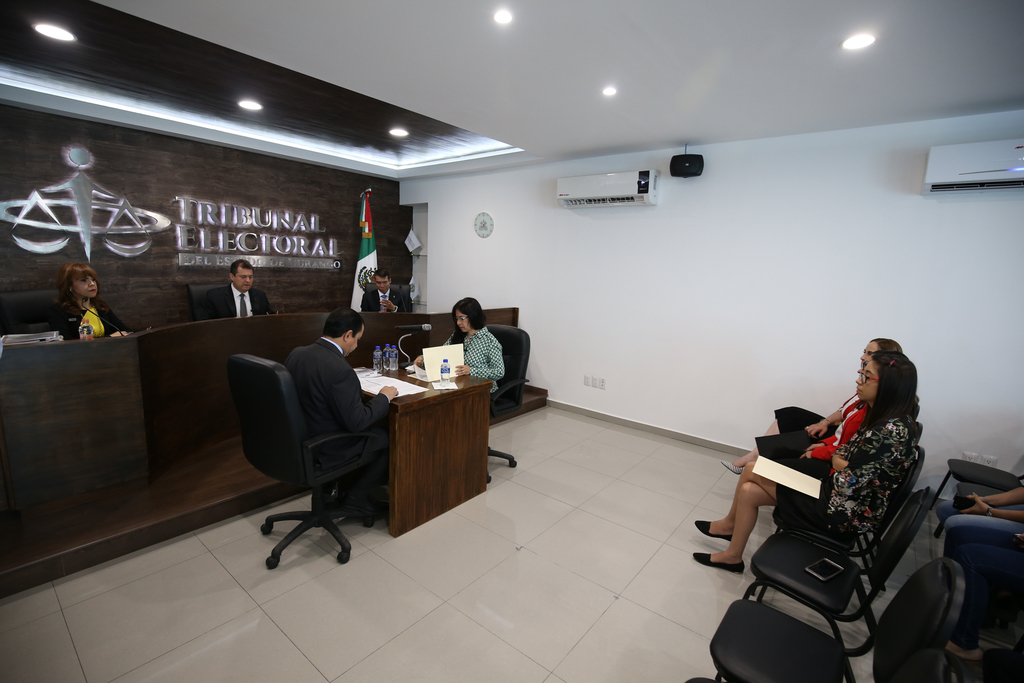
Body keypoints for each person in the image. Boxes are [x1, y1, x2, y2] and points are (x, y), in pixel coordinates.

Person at [694, 350, 918, 573]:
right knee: (749, 489)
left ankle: (729, 529)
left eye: (867, 377)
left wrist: (837, 460)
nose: (859, 380)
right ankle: (732, 556)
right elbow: (846, 453)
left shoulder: (888, 432)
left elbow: (845, 481)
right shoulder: (885, 419)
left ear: (888, 386)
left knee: (753, 470)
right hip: (836, 496)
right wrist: (840, 461)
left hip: (841, 513)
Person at [722, 338, 903, 474]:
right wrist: (824, 422)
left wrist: (823, 447)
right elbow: (843, 412)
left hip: (838, 446)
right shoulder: (864, 388)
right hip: (838, 435)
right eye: (864, 351)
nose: (863, 357)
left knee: (795, 424)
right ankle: (753, 457)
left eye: (870, 354)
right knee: (791, 414)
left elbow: (849, 443)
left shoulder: (875, 401)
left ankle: (755, 462)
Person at [285, 307, 398, 516]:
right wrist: (384, 396)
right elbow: (357, 422)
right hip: (326, 447)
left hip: (298, 440)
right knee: (386, 437)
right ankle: (357, 497)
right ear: (347, 335)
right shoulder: (340, 369)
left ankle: (336, 488)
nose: (356, 345)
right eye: (358, 339)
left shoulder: (297, 353)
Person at [414, 297, 504, 392]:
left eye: (462, 318)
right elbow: (442, 353)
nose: (458, 323)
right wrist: (423, 359)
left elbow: (499, 372)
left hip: (481, 391)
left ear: (474, 316)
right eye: (457, 319)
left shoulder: (489, 341)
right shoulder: (458, 335)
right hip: (457, 386)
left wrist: (471, 371)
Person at [46, 263, 131, 339]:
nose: (92, 284)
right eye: (84, 280)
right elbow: (64, 343)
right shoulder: (58, 311)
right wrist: (108, 338)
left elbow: (126, 332)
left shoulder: (100, 307)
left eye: (93, 279)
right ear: (69, 285)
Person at [198, 259, 274, 320]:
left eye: (250, 277)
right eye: (243, 277)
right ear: (232, 276)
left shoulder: (260, 296)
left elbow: (270, 319)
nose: (248, 280)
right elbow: (205, 323)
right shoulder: (215, 296)